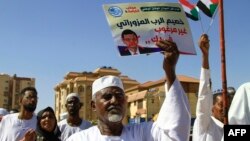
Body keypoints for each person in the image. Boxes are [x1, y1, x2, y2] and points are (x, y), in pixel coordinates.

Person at [67, 39, 191, 140]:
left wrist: (169, 70)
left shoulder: (143, 134)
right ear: (93, 105)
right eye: (107, 97)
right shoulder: (79, 139)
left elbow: (175, 130)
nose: (115, 101)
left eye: (119, 96)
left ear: (125, 101)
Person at [192, 34, 235, 141]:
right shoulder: (205, 124)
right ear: (211, 108)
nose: (226, 109)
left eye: (229, 105)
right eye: (221, 105)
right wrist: (205, 56)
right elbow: (204, 94)